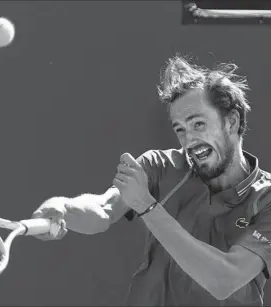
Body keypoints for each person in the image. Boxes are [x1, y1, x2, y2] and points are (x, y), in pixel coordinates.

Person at [31, 55, 271, 306]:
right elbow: (103, 210)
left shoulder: (267, 199)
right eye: (180, 130)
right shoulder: (160, 166)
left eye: (198, 124)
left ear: (231, 122)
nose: (189, 141)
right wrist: (63, 208)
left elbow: (224, 280)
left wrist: (147, 206)